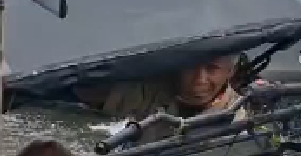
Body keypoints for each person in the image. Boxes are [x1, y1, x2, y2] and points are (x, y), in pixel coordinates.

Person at [75, 54, 246, 146]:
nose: (199, 79)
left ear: (231, 71)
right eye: (191, 66)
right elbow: (75, 92)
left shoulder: (241, 120)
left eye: (212, 69)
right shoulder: (146, 91)